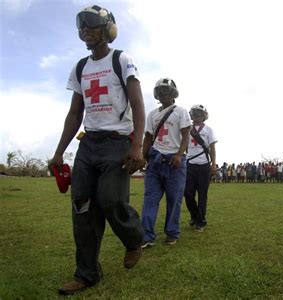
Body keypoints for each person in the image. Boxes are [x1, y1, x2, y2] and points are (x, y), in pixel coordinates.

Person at [48, 5, 146, 295]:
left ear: (108, 30)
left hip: (117, 144)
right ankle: (86, 274)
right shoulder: (80, 67)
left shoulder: (121, 59)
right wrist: (58, 152)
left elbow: (138, 104)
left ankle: (133, 239)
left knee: (111, 200)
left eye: (92, 25)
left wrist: (137, 145)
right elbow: (74, 114)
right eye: (82, 27)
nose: (85, 31)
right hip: (88, 145)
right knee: (82, 208)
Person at [141, 78, 191, 248]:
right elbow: (148, 136)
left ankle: (172, 232)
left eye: (166, 91)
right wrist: (143, 156)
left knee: (174, 199)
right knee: (150, 199)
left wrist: (179, 154)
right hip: (155, 160)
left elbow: (186, 135)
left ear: (173, 94)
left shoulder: (181, 112)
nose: (163, 94)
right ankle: (147, 236)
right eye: (160, 91)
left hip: (175, 162)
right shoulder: (152, 114)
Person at [184, 105, 218, 232]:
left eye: (199, 113)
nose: (197, 116)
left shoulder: (209, 130)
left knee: (202, 195)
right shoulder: (187, 129)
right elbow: (184, 146)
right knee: (187, 193)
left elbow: (212, 148)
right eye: (194, 113)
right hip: (189, 164)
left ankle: (200, 221)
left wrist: (213, 164)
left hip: (204, 165)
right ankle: (194, 215)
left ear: (204, 115)